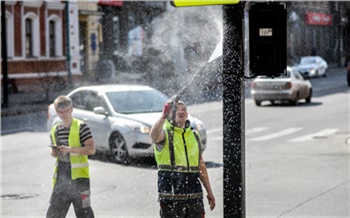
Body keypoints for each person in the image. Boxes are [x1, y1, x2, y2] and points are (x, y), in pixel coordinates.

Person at [150, 99, 216, 218]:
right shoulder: (165, 134)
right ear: (170, 114)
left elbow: (201, 166)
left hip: (194, 197)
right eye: (176, 110)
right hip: (171, 198)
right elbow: (154, 136)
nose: (181, 112)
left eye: (184, 110)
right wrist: (163, 117)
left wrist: (209, 191)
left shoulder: (194, 135)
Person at [46, 95, 96, 218]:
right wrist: (54, 152)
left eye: (66, 111)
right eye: (60, 112)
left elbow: (91, 149)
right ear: (56, 112)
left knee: (84, 212)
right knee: (54, 214)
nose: (63, 114)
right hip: (62, 177)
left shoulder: (81, 127)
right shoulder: (55, 129)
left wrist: (70, 150)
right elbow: (54, 153)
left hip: (80, 179)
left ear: (72, 109)